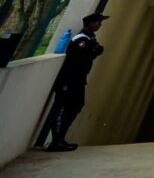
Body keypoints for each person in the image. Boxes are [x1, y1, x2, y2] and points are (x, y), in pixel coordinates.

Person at [41, 12, 107, 152]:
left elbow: (96, 50)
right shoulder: (80, 38)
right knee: (60, 108)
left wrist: (95, 50)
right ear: (90, 23)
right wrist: (95, 50)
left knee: (76, 105)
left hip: (78, 79)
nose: (100, 24)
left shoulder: (90, 38)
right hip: (69, 79)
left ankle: (60, 139)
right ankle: (56, 142)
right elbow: (86, 55)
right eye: (98, 22)